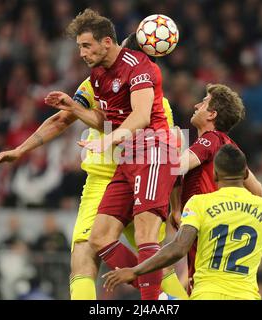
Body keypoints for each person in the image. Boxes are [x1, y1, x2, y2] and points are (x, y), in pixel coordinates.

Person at [0, 29, 185, 301]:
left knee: (120, 252)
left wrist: (176, 206)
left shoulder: (151, 101)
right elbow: (62, 119)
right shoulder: (96, 82)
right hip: (108, 179)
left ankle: (158, 300)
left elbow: (167, 154)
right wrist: (21, 149)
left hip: (128, 173)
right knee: (138, 255)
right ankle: (166, 299)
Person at [49, 9, 179, 300]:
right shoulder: (98, 77)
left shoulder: (143, 73)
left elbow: (144, 119)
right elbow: (102, 119)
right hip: (126, 161)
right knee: (99, 239)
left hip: (150, 153)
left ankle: (155, 302)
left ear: (108, 43)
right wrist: (74, 107)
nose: (81, 53)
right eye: (79, 47)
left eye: (86, 46)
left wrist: (108, 141)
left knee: (145, 239)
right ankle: (159, 296)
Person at [103, 144, 262, 300]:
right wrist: (259, 251)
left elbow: (178, 248)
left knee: (161, 300)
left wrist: (135, 271)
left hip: (207, 294)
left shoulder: (200, 203)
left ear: (215, 174)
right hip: (247, 295)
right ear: (246, 172)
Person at [173, 83, 262, 293]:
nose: (196, 105)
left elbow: (176, 167)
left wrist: (174, 147)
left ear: (212, 114)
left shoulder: (210, 140)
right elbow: (258, 191)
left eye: (203, 102)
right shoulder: (230, 147)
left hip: (202, 226)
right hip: (222, 233)